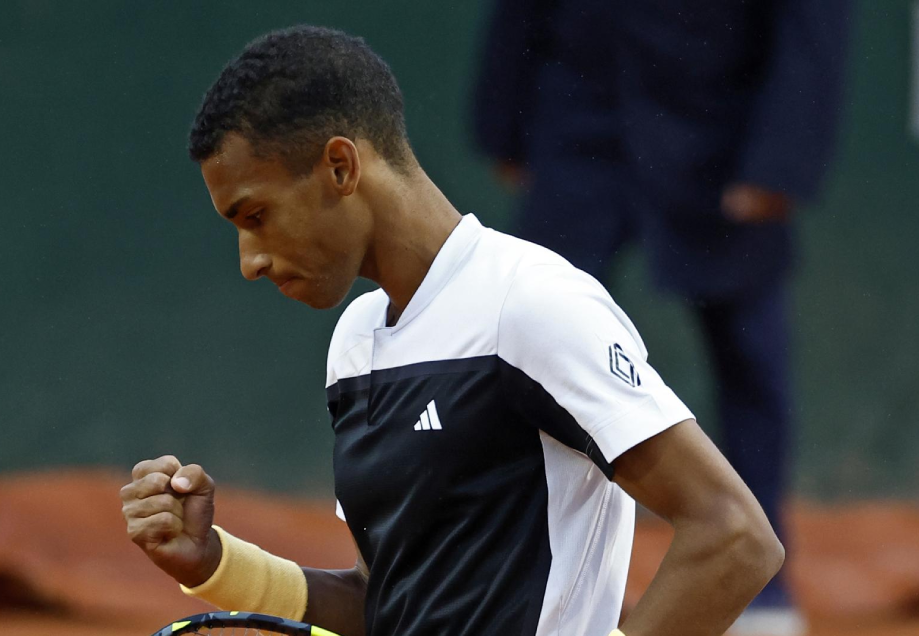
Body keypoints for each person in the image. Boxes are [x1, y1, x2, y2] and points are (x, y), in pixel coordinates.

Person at [121, 26, 784, 636]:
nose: (250, 261)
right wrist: (214, 562)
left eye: (257, 215)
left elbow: (734, 536)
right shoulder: (356, 344)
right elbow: (386, 601)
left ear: (341, 167)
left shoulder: (528, 304)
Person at [472, 2, 849, 633]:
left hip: (723, 130)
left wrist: (782, 159)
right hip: (579, 116)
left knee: (750, 363)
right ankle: (522, 582)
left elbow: (812, 18)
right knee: (524, 359)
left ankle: (761, 593)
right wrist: (504, 121)